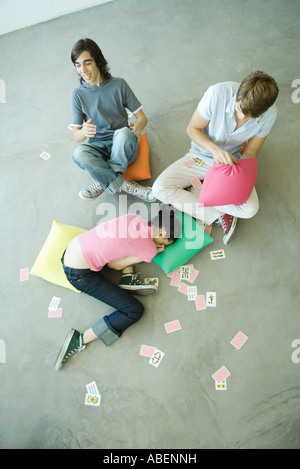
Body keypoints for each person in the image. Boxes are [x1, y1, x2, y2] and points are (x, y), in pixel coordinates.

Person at [152, 71, 279, 244]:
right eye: (240, 109)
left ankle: (201, 192)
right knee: (159, 189)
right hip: (200, 155)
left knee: (250, 209)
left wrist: (239, 178)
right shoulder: (216, 93)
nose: (242, 117)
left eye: (251, 117)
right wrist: (215, 151)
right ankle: (220, 213)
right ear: (238, 94)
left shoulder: (270, 114)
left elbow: (251, 152)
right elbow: (192, 129)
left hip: (231, 163)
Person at [54, 204, 181, 370]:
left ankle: (129, 278)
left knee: (121, 245)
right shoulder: (150, 249)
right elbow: (114, 265)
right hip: (79, 275)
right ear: (163, 233)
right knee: (134, 310)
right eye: (165, 242)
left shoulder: (133, 218)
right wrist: (148, 252)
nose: (163, 245)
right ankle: (80, 339)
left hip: (71, 250)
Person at [70, 38, 156, 203]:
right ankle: (126, 185)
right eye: (78, 65)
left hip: (123, 145)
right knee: (79, 153)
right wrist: (82, 132)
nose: (83, 70)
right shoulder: (77, 94)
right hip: (99, 149)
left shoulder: (119, 85)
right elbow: (76, 136)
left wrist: (137, 128)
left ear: (98, 61)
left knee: (123, 133)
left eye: (87, 63)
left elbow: (142, 118)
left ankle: (104, 181)